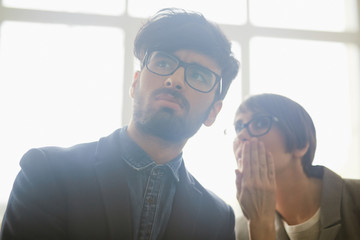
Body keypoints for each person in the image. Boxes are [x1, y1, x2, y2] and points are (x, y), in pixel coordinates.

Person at [0, 8, 240, 240]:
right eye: (164, 63)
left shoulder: (218, 219)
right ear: (135, 84)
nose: (175, 80)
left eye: (198, 75)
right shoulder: (46, 172)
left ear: (213, 112)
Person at [233, 93, 360, 240]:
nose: (241, 134)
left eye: (260, 123)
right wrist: (260, 224)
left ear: (300, 144)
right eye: (238, 127)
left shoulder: (355, 199)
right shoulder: (240, 230)